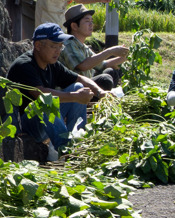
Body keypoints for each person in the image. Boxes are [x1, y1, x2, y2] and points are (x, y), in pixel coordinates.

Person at [6, 22, 105, 158]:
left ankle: (77, 142)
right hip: (27, 126)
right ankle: (65, 150)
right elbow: (40, 94)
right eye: (54, 46)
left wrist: (101, 93)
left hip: (47, 122)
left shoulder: (52, 64)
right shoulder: (24, 65)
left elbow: (80, 79)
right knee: (45, 101)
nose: (58, 51)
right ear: (38, 46)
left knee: (78, 87)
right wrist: (75, 97)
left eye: (60, 46)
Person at [59, 4, 128, 91]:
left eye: (92, 21)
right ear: (74, 26)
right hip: (74, 89)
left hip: (86, 84)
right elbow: (83, 65)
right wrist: (110, 51)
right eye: (87, 21)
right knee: (105, 80)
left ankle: (105, 97)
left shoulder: (83, 46)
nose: (91, 24)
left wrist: (125, 57)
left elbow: (103, 64)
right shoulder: (68, 44)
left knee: (112, 71)